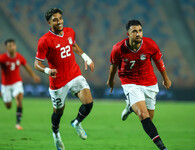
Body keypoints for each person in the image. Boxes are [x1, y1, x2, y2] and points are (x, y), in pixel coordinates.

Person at [34, 8, 94, 150]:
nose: (59, 21)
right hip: (58, 81)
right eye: (55, 20)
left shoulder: (70, 31)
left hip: (74, 74)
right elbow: (37, 63)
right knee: (58, 112)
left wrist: (86, 57)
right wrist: (47, 70)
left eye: (60, 18)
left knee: (89, 103)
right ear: (49, 23)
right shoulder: (44, 41)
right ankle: (56, 135)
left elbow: (73, 44)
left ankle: (77, 123)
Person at [107, 20, 171, 150]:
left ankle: (130, 107)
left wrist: (166, 78)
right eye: (134, 31)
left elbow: (159, 61)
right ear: (128, 34)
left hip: (149, 83)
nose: (138, 34)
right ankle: (163, 148)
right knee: (143, 115)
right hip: (130, 83)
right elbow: (113, 66)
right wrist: (111, 80)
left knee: (149, 119)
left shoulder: (150, 44)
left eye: (140, 31)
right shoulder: (118, 48)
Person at [0, 39, 41, 130]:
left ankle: (18, 123)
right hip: (5, 85)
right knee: (8, 106)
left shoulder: (20, 57)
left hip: (17, 83)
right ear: (7, 48)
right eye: (10, 46)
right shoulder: (2, 58)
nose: (12, 47)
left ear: (16, 46)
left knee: (19, 99)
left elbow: (27, 67)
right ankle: (5, 98)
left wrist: (34, 76)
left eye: (13, 45)